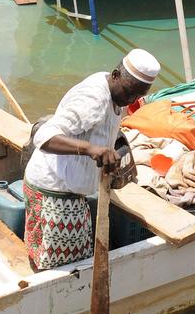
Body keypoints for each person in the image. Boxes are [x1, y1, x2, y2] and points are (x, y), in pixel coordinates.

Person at [22, 50, 159, 270]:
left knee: (73, 256)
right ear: (115, 75)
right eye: (128, 92)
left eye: (138, 95)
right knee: (67, 267)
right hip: (54, 189)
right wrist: (89, 149)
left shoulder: (117, 93)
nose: (131, 100)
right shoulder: (93, 99)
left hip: (70, 190)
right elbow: (42, 136)